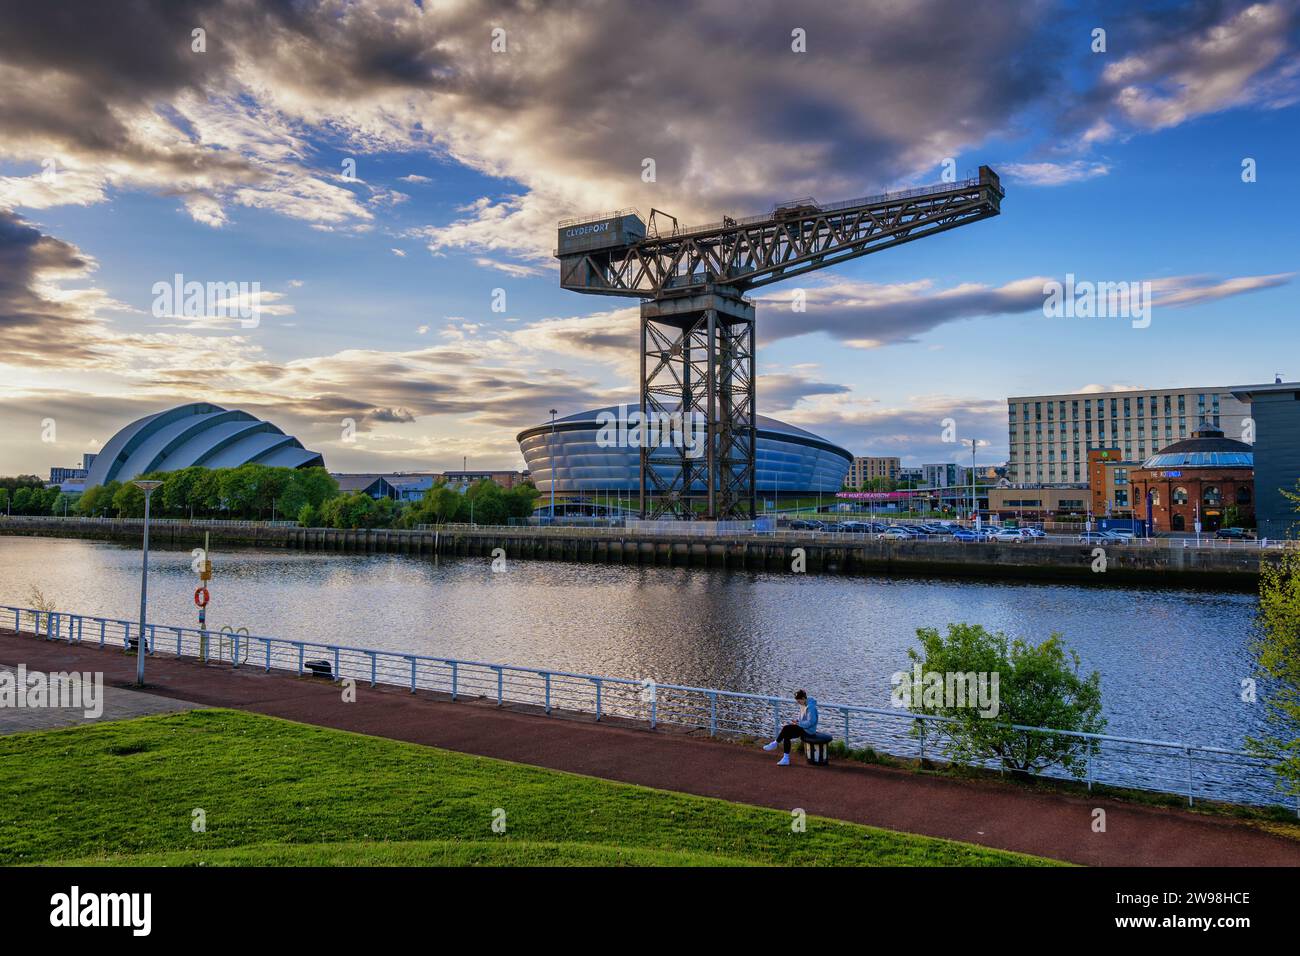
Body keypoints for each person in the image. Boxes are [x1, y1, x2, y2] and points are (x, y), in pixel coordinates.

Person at [763, 689, 818, 766]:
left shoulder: (811, 707)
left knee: (786, 728)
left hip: (809, 731)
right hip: (803, 728)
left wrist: (799, 723)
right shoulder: (803, 704)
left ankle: (776, 744)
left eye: (799, 701)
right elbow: (802, 718)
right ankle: (785, 758)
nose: (798, 703)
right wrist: (797, 720)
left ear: (803, 698)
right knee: (786, 734)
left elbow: (811, 722)